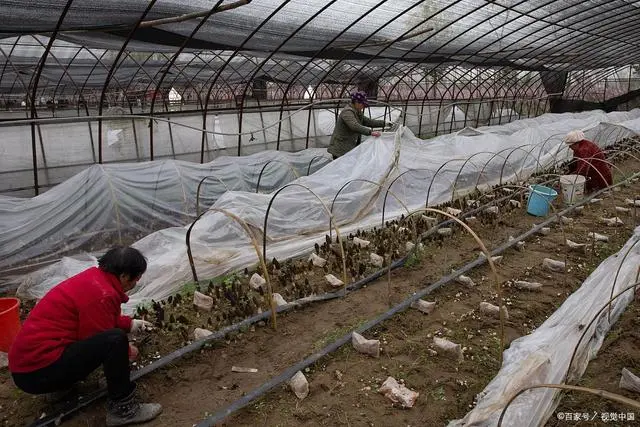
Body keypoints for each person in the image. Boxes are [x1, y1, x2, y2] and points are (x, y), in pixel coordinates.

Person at [8, 246, 162, 426]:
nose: (136, 283)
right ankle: (123, 409)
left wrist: (131, 324)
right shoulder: (102, 294)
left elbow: (99, 317)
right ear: (124, 276)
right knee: (115, 340)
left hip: (27, 368)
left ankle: (61, 387)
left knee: (109, 340)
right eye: (136, 278)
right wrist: (127, 353)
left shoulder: (94, 280)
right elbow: (101, 335)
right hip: (37, 373)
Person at [327, 91, 389, 160]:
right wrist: (370, 132)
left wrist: (385, 123)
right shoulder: (347, 112)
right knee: (341, 168)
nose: (363, 107)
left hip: (349, 147)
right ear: (356, 102)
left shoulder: (357, 112)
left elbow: (368, 121)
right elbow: (354, 126)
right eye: (362, 104)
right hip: (340, 148)